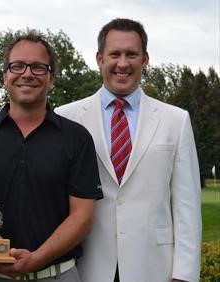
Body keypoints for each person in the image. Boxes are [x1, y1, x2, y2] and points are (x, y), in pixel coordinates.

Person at [55, 18, 201, 282]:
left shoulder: (175, 120)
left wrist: (185, 275)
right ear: (100, 58)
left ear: (145, 59)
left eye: (132, 54)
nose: (123, 63)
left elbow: (187, 206)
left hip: (154, 268)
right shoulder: (66, 118)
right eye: (114, 54)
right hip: (86, 267)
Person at [0, 30, 103, 282]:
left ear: (51, 78)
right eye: (17, 66)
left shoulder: (77, 138)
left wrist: (35, 259)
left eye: (38, 67)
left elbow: (82, 218)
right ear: (5, 76)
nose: (27, 74)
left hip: (57, 275)